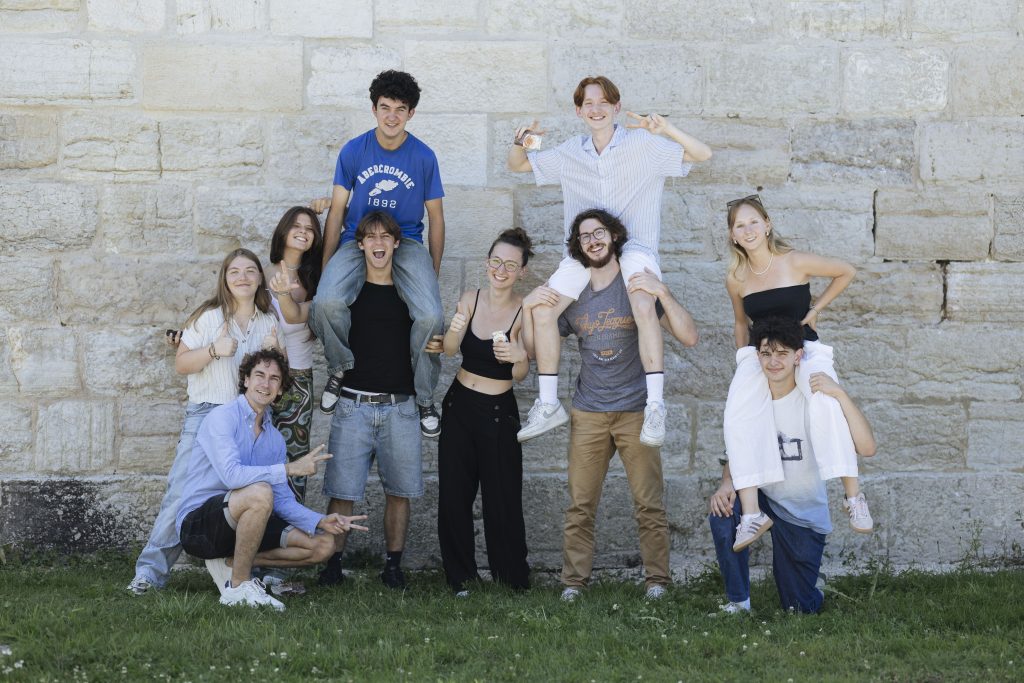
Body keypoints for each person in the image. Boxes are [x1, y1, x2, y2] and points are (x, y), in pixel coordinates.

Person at [508, 75, 711, 447]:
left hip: (635, 248)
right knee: (544, 310)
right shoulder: (571, 151)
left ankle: (655, 406)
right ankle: (549, 403)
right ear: (579, 111)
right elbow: (519, 165)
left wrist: (666, 129)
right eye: (588, 103)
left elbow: (702, 155)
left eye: (603, 102)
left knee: (642, 303)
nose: (596, 109)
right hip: (586, 250)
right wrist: (524, 140)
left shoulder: (643, 145)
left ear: (616, 107)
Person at [522, 209, 699, 602]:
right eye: (584, 236)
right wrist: (529, 308)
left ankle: (657, 581)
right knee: (580, 505)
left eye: (599, 232)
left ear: (615, 236)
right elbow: (535, 350)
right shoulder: (573, 291)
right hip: (589, 412)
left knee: (649, 504)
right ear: (578, 246)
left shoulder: (636, 286)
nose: (593, 240)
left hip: (637, 410)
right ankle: (574, 583)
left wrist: (663, 290)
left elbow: (689, 336)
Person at [126, 249, 283, 595]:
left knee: (249, 491)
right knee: (181, 492)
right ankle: (150, 573)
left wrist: (277, 350)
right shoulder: (208, 317)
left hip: (249, 420)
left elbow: (278, 374)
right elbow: (182, 364)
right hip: (208, 413)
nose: (242, 277)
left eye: (250, 271)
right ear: (225, 279)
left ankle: (251, 572)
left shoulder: (268, 321)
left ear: (260, 277)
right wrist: (214, 350)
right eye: (234, 271)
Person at [722, 194, 873, 552]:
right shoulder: (737, 277)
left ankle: (853, 497)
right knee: (736, 412)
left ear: (767, 224)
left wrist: (815, 309)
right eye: (740, 225)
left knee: (825, 399)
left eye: (754, 222)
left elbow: (846, 271)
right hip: (763, 354)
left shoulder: (794, 261)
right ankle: (751, 514)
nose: (748, 230)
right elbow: (741, 322)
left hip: (804, 347)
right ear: (732, 235)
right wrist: (744, 361)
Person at [175, 348, 369, 610]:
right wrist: (289, 469)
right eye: (259, 375)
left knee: (324, 545)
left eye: (274, 379)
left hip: (244, 522)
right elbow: (232, 476)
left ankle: (232, 563)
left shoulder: (274, 439)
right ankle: (238, 587)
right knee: (260, 492)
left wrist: (320, 520)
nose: (265, 384)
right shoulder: (222, 417)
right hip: (200, 526)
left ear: (279, 390)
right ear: (246, 380)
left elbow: (282, 501)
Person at [310, 69, 445, 438]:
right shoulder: (354, 150)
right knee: (325, 304)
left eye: (400, 109)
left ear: (411, 113)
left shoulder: (424, 156)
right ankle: (340, 367)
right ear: (374, 109)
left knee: (432, 316)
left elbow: (436, 217)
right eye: (385, 107)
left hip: (407, 242)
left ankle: (424, 397)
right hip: (358, 238)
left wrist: (432, 272)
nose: (392, 116)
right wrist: (327, 268)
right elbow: (337, 211)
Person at [709, 317, 877, 614]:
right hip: (762, 498)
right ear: (757, 356)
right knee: (723, 510)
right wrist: (726, 483)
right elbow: (737, 449)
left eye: (782, 353)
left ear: (798, 356)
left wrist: (840, 393)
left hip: (802, 514)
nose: (773, 362)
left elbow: (867, 448)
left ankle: (811, 585)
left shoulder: (816, 401)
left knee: (799, 608)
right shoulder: (751, 398)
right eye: (766, 353)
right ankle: (739, 602)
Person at [318, 211, 443, 589]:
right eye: (370, 237)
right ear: (360, 245)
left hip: (401, 407)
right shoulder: (346, 295)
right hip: (352, 404)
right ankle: (332, 564)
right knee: (342, 491)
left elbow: (433, 334)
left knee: (400, 492)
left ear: (396, 244)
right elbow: (317, 317)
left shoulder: (411, 297)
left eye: (385, 237)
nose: (378, 243)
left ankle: (393, 566)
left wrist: (441, 343)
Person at [437, 228, 534, 596]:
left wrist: (518, 356)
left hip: (498, 412)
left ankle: (511, 578)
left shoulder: (524, 310)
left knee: (503, 498)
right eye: (496, 261)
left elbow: (521, 374)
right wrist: (455, 329)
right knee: (454, 496)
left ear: (522, 271)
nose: (501, 270)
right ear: (487, 262)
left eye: (510, 264)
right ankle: (460, 578)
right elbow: (449, 350)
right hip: (459, 406)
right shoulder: (470, 299)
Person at [265, 206, 324, 503]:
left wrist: (335, 206)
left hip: (296, 382)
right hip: (259, 378)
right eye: (297, 226)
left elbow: (295, 316)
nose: (303, 232)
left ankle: (290, 525)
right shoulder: (261, 274)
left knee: (294, 460)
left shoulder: (317, 281)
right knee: (255, 456)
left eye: (310, 228)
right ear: (283, 230)